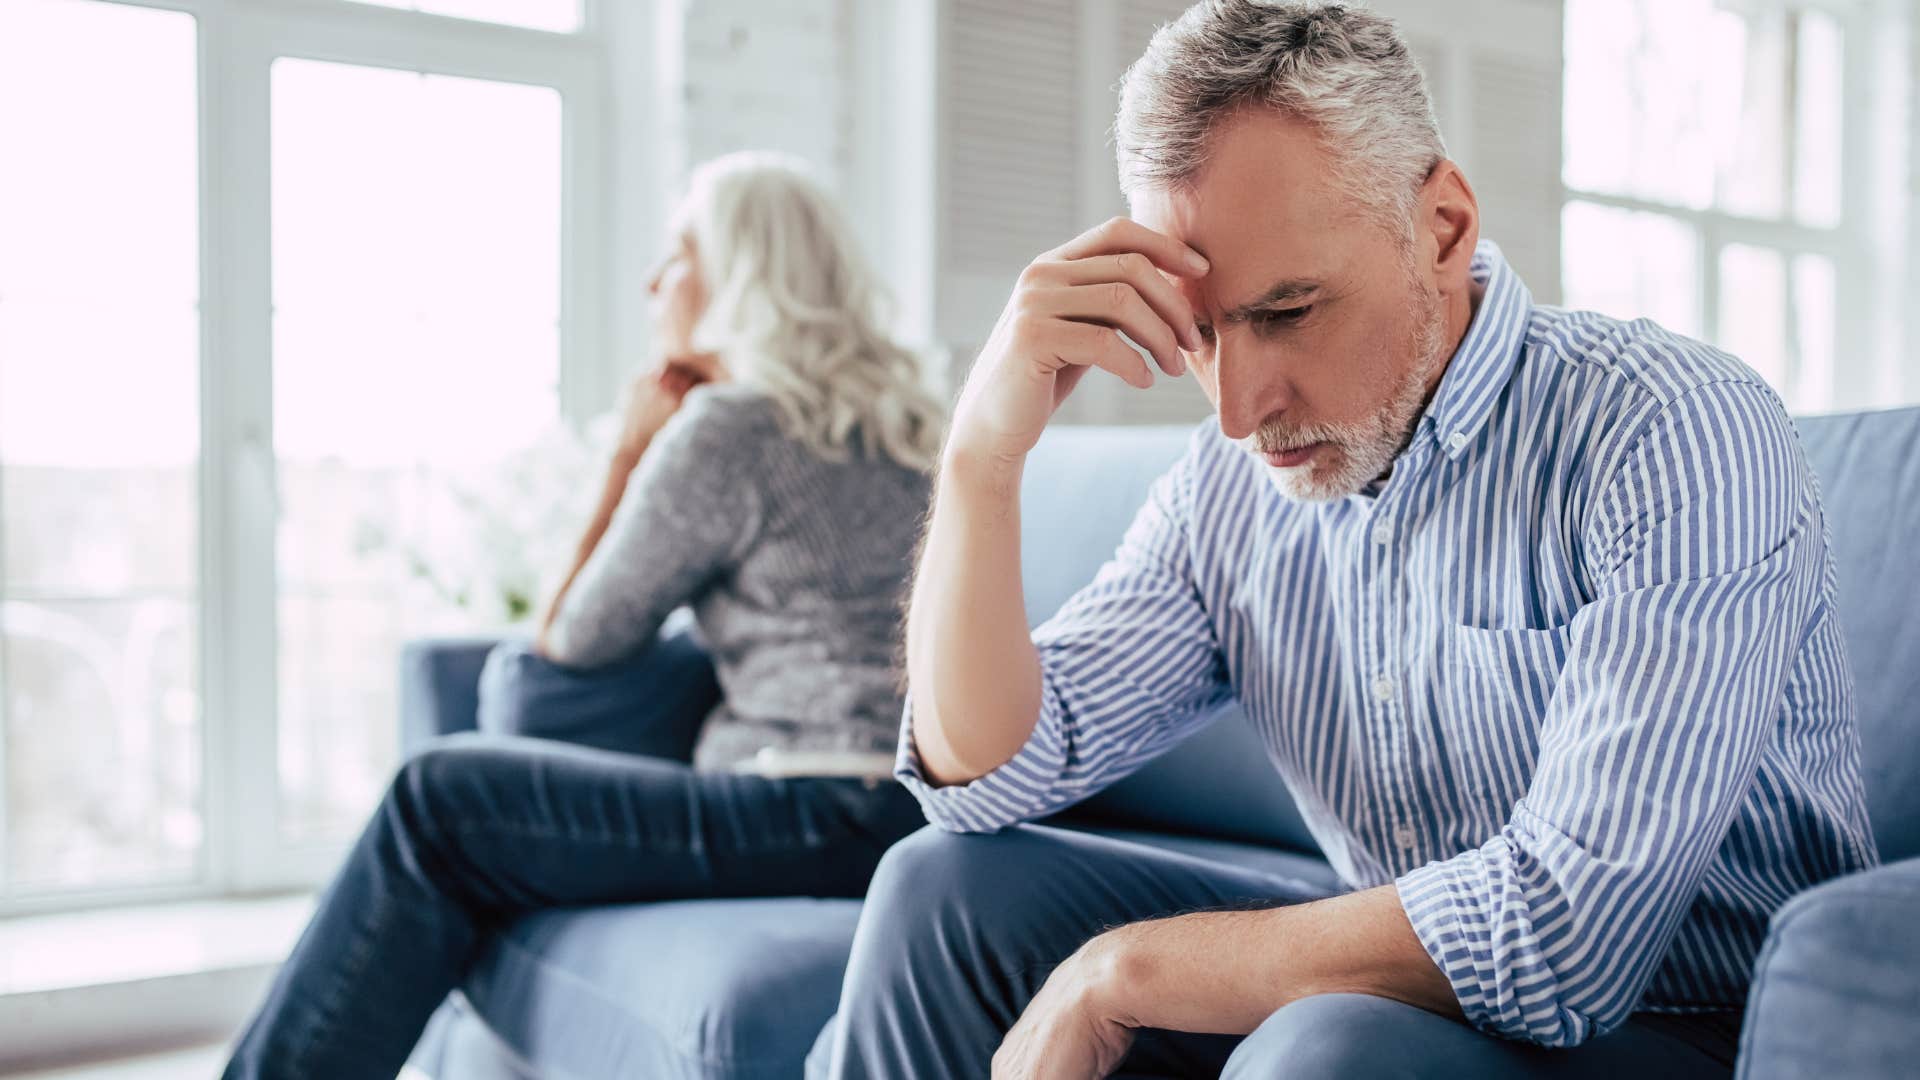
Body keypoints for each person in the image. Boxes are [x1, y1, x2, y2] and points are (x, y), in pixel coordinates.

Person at [821, 3, 1879, 1078]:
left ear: (1444, 227)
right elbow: (986, 776)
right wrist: (979, 459)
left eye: (1286, 312)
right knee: (942, 894)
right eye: (1200, 329)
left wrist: (1122, 971)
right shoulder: (1225, 491)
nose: (1237, 410)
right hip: (1406, 987)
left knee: (1326, 1048)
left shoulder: (1671, 431)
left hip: (1685, 1023)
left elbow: (1569, 933)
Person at [223, 151, 946, 1079]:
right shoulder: (917, 427)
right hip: (913, 808)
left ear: (737, 273)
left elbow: (577, 639)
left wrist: (631, 453)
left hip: (813, 803)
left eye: (677, 253)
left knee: (435, 800)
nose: (654, 281)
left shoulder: (729, 428)